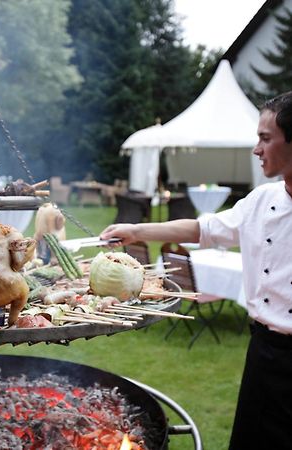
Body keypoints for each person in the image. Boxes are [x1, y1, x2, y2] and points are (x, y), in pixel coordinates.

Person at [100, 91, 292, 450]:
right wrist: (136, 231)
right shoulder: (261, 201)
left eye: (265, 138)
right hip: (263, 353)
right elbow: (200, 230)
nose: (256, 149)